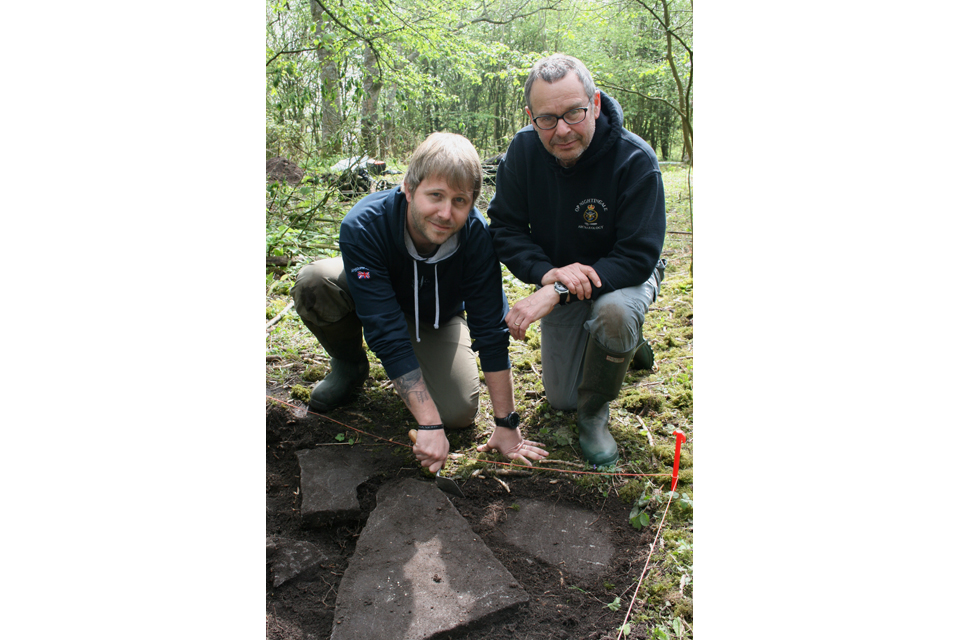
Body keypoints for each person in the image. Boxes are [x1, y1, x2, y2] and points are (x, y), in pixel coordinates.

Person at [291, 132, 549, 474]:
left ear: (473, 202)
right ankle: (349, 365)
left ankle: (429, 366)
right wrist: (428, 425)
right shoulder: (365, 224)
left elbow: (489, 328)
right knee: (315, 282)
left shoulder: (476, 237)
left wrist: (507, 422)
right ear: (409, 188)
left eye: (460, 201)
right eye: (435, 196)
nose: (445, 213)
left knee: (457, 412)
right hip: (376, 301)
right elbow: (383, 328)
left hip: (436, 317)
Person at [486, 54, 667, 467]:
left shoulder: (635, 160)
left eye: (574, 113)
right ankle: (624, 348)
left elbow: (637, 255)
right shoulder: (524, 151)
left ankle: (593, 414)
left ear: (596, 104)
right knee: (561, 397)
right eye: (547, 118)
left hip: (623, 273)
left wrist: (557, 291)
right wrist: (549, 274)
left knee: (615, 314)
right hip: (560, 275)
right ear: (532, 117)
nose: (562, 129)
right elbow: (505, 228)